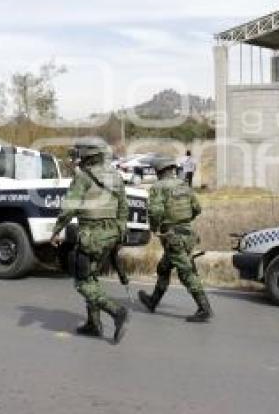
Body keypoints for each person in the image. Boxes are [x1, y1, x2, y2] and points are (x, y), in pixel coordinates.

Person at [50, 141, 129, 343]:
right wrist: (120, 232)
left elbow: (70, 207)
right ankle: (93, 324)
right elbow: (123, 207)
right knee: (91, 276)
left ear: (87, 156)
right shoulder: (115, 176)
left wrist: (56, 231)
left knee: (82, 282)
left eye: (81, 155)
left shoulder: (83, 177)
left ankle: (116, 311)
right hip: (111, 234)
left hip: (91, 235)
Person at [138, 156, 212, 322]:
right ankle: (153, 301)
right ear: (171, 169)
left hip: (173, 237)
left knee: (186, 272)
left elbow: (155, 212)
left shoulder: (158, 187)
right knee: (164, 268)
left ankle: (204, 308)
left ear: (158, 171)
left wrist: (154, 228)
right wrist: (184, 222)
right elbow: (197, 208)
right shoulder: (183, 185)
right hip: (188, 235)